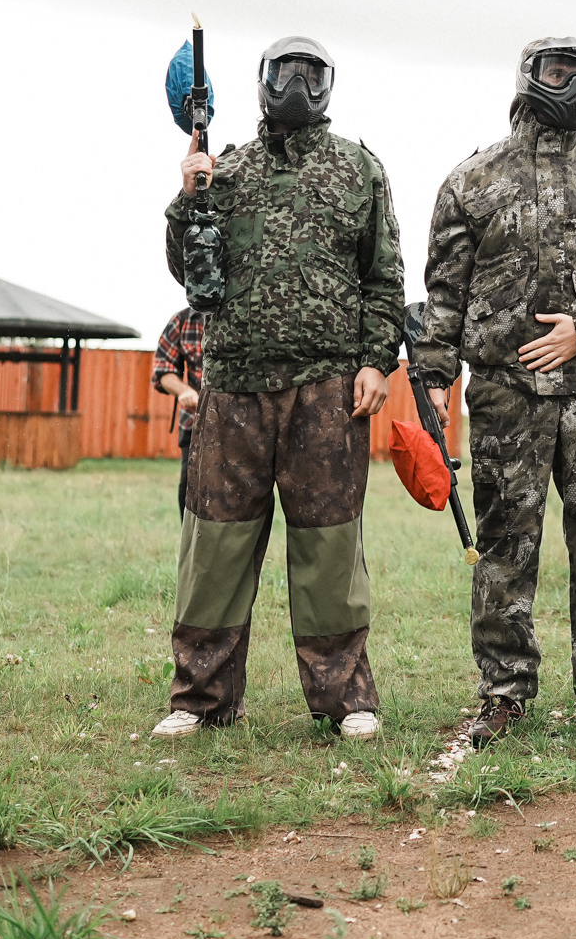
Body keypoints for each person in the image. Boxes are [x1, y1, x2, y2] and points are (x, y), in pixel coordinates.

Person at [415, 38, 576, 747]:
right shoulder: (473, 179)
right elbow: (444, 292)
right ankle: (504, 690)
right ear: (528, 79)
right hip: (504, 396)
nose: (574, 86)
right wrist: (435, 377)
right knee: (504, 550)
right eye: (561, 72)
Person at [157, 36, 403, 741]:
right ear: (262, 80)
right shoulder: (226, 169)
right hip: (233, 385)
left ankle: (345, 698)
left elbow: (384, 277)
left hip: (326, 388)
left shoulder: (358, 169)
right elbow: (187, 270)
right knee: (216, 546)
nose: (297, 83)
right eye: (284, 71)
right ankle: (199, 700)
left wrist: (374, 362)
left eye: (311, 71)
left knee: (328, 547)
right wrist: (188, 196)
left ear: (329, 83)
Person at [152, 306, 205, 513]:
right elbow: (163, 371)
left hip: (240, 422)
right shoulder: (182, 321)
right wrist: (184, 391)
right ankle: (190, 543)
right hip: (195, 422)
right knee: (189, 490)